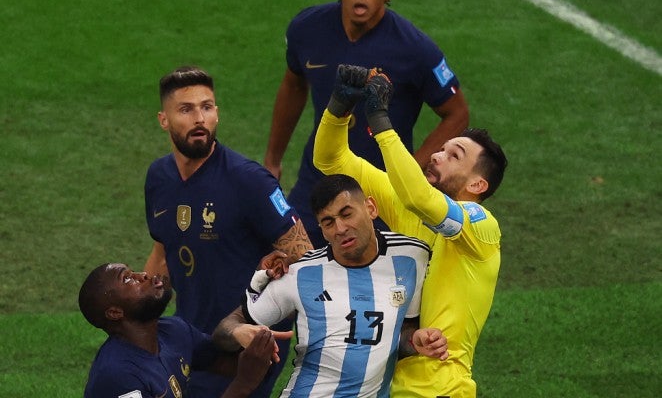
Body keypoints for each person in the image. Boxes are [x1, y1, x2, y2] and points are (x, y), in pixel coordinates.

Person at [312, 65, 508, 397]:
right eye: (442, 148)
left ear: (477, 183)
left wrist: (380, 121)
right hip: (388, 386)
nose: (436, 155)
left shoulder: (481, 227)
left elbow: (420, 197)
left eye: (453, 156)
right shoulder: (409, 208)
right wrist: (339, 107)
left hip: (442, 389)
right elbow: (330, 161)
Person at [264, 0, 470, 248]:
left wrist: (412, 171)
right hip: (317, 181)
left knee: (373, 290)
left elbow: (457, 113)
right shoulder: (306, 29)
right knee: (291, 269)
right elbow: (294, 85)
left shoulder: (415, 49)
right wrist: (273, 159)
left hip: (383, 196)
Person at [143, 66, 313, 397]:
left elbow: (305, 257)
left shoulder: (249, 181)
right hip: (189, 338)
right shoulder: (159, 178)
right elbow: (162, 255)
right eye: (186, 109)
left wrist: (262, 317)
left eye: (206, 107)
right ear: (164, 120)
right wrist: (138, 323)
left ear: (217, 113)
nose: (199, 119)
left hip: (244, 347)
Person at [213, 174, 449, 397]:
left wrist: (414, 340)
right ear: (322, 231)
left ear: (371, 208)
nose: (340, 229)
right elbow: (224, 331)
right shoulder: (301, 273)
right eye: (328, 222)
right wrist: (237, 331)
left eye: (347, 214)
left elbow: (402, 327)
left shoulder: (412, 257)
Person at [79, 262, 287, 398]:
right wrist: (244, 384)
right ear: (115, 312)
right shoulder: (118, 376)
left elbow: (228, 361)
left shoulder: (173, 331)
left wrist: (261, 294)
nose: (142, 274)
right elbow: (243, 375)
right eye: (127, 279)